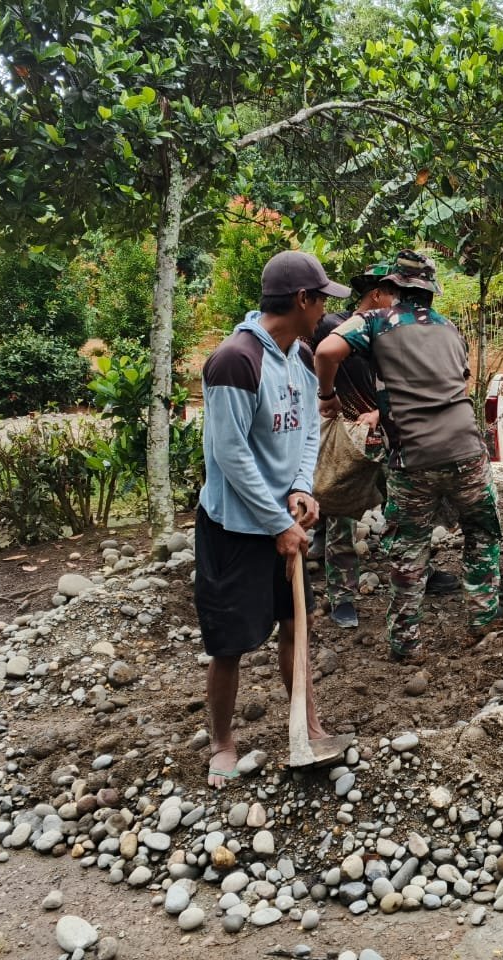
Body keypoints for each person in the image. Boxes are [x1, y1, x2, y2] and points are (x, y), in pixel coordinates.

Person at [194, 250, 352, 787]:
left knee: (294, 625)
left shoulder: (300, 357)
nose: (324, 312)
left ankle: (307, 725)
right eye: (321, 300)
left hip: (283, 519)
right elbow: (230, 454)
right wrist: (276, 522)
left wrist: (303, 488)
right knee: (230, 642)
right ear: (302, 300)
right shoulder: (235, 361)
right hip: (236, 528)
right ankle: (222, 741)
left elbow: (310, 427)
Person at [313, 250, 503, 665]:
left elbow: (326, 352)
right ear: (431, 289)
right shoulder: (451, 328)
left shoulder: (375, 322)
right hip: (467, 452)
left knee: (409, 548)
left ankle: (407, 643)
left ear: (393, 288)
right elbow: (462, 380)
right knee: (482, 534)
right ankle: (483, 619)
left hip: (412, 458)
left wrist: (327, 397)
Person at [309, 265, 460, 629]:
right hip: (347, 434)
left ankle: (419, 572)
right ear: (377, 293)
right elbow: (321, 359)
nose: (405, 306)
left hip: (387, 432)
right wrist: (327, 399)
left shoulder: (393, 330)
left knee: (403, 509)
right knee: (341, 518)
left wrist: (381, 410)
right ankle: (342, 596)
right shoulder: (336, 326)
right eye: (397, 296)